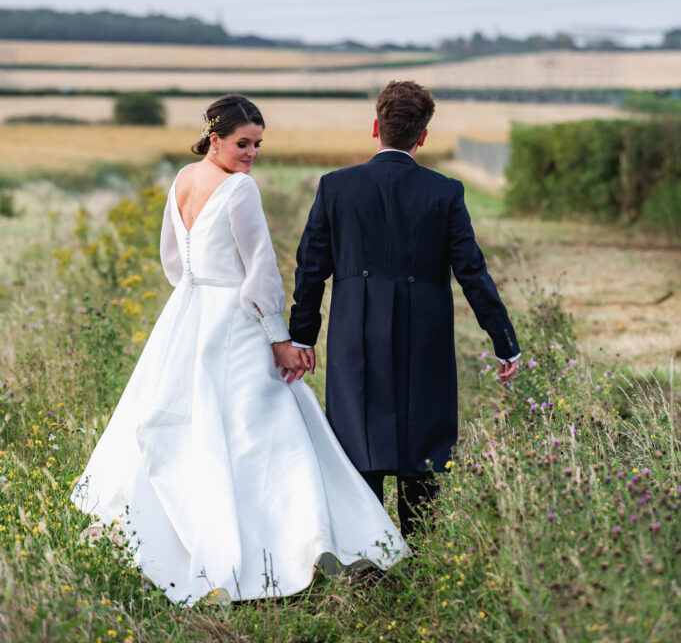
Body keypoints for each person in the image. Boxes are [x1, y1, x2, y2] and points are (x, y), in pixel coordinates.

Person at [71, 94, 408, 606]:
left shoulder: (183, 178)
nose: (251, 153)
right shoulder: (239, 189)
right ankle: (281, 548)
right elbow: (260, 268)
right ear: (214, 137)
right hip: (232, 317)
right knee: (262, 427)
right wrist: (281, 339)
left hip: (188, 312)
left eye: (258, 144)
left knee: (192, 423)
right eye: (242, 143)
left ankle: (172, 543)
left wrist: (195, 295)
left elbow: (171, 258)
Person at [289, 80, 520, 537]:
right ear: (423, 136)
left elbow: (311, 269)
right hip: (426, 329)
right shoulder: (445, 191)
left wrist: (302, 337)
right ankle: (422, 550)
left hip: (355, 327)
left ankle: (368, 551)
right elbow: (472, 273)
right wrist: (504, 341)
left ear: (376, 127)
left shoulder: (335, 187)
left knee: (358, 435)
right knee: (424, 437)